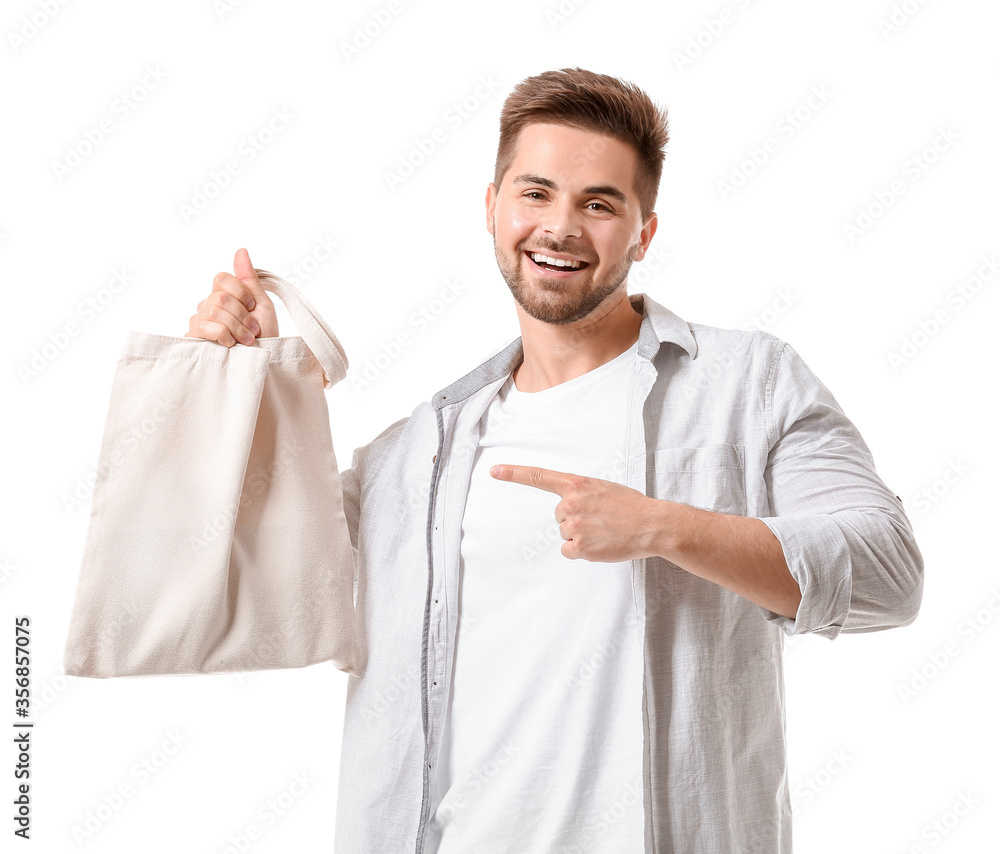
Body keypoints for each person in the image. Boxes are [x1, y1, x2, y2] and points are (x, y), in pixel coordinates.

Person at [185, 68, 923, 854]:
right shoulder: (418, 451)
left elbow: (889, 574)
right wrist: (240, 386)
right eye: (534, 194)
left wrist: (666, 528)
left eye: (599, 204)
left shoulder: (752, 384)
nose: (560, 227)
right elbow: (237, 579)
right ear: (494, 206)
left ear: (643, 232)